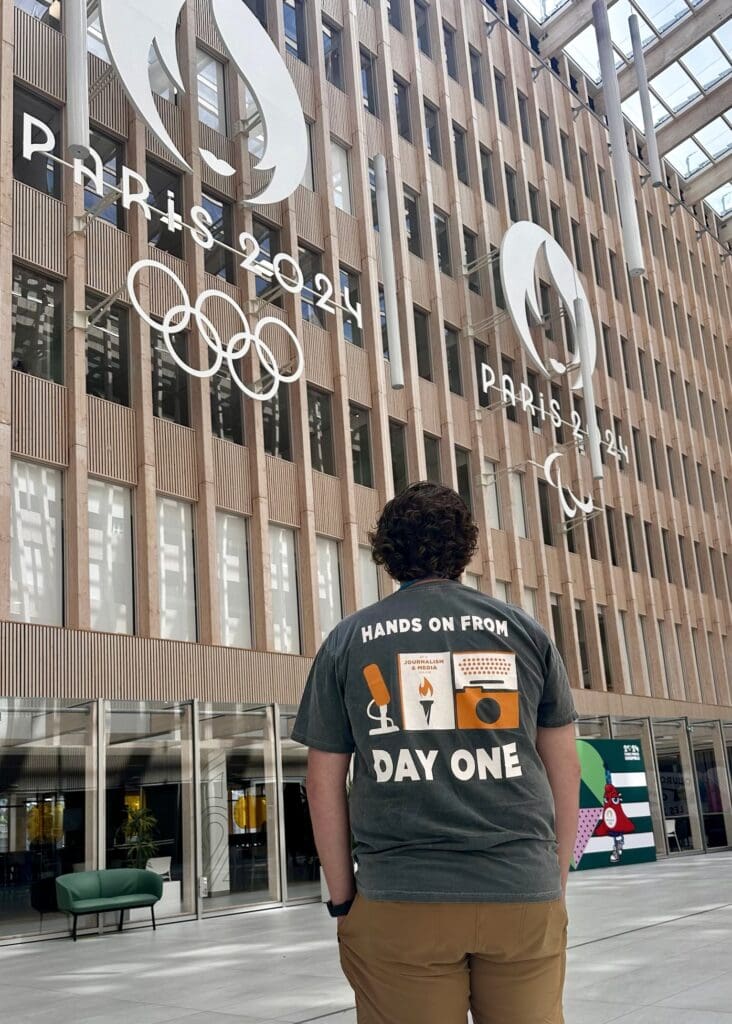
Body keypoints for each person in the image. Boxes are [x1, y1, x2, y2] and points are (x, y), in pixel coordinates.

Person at [292, 482, 581, 1024]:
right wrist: (553, 875)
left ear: (387, 552)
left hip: (401, 898)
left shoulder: (348, 640)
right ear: (465, 548)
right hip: (521, 889)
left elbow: (322, 781)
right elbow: (564, 765)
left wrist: (343, 900)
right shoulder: (523, 631)